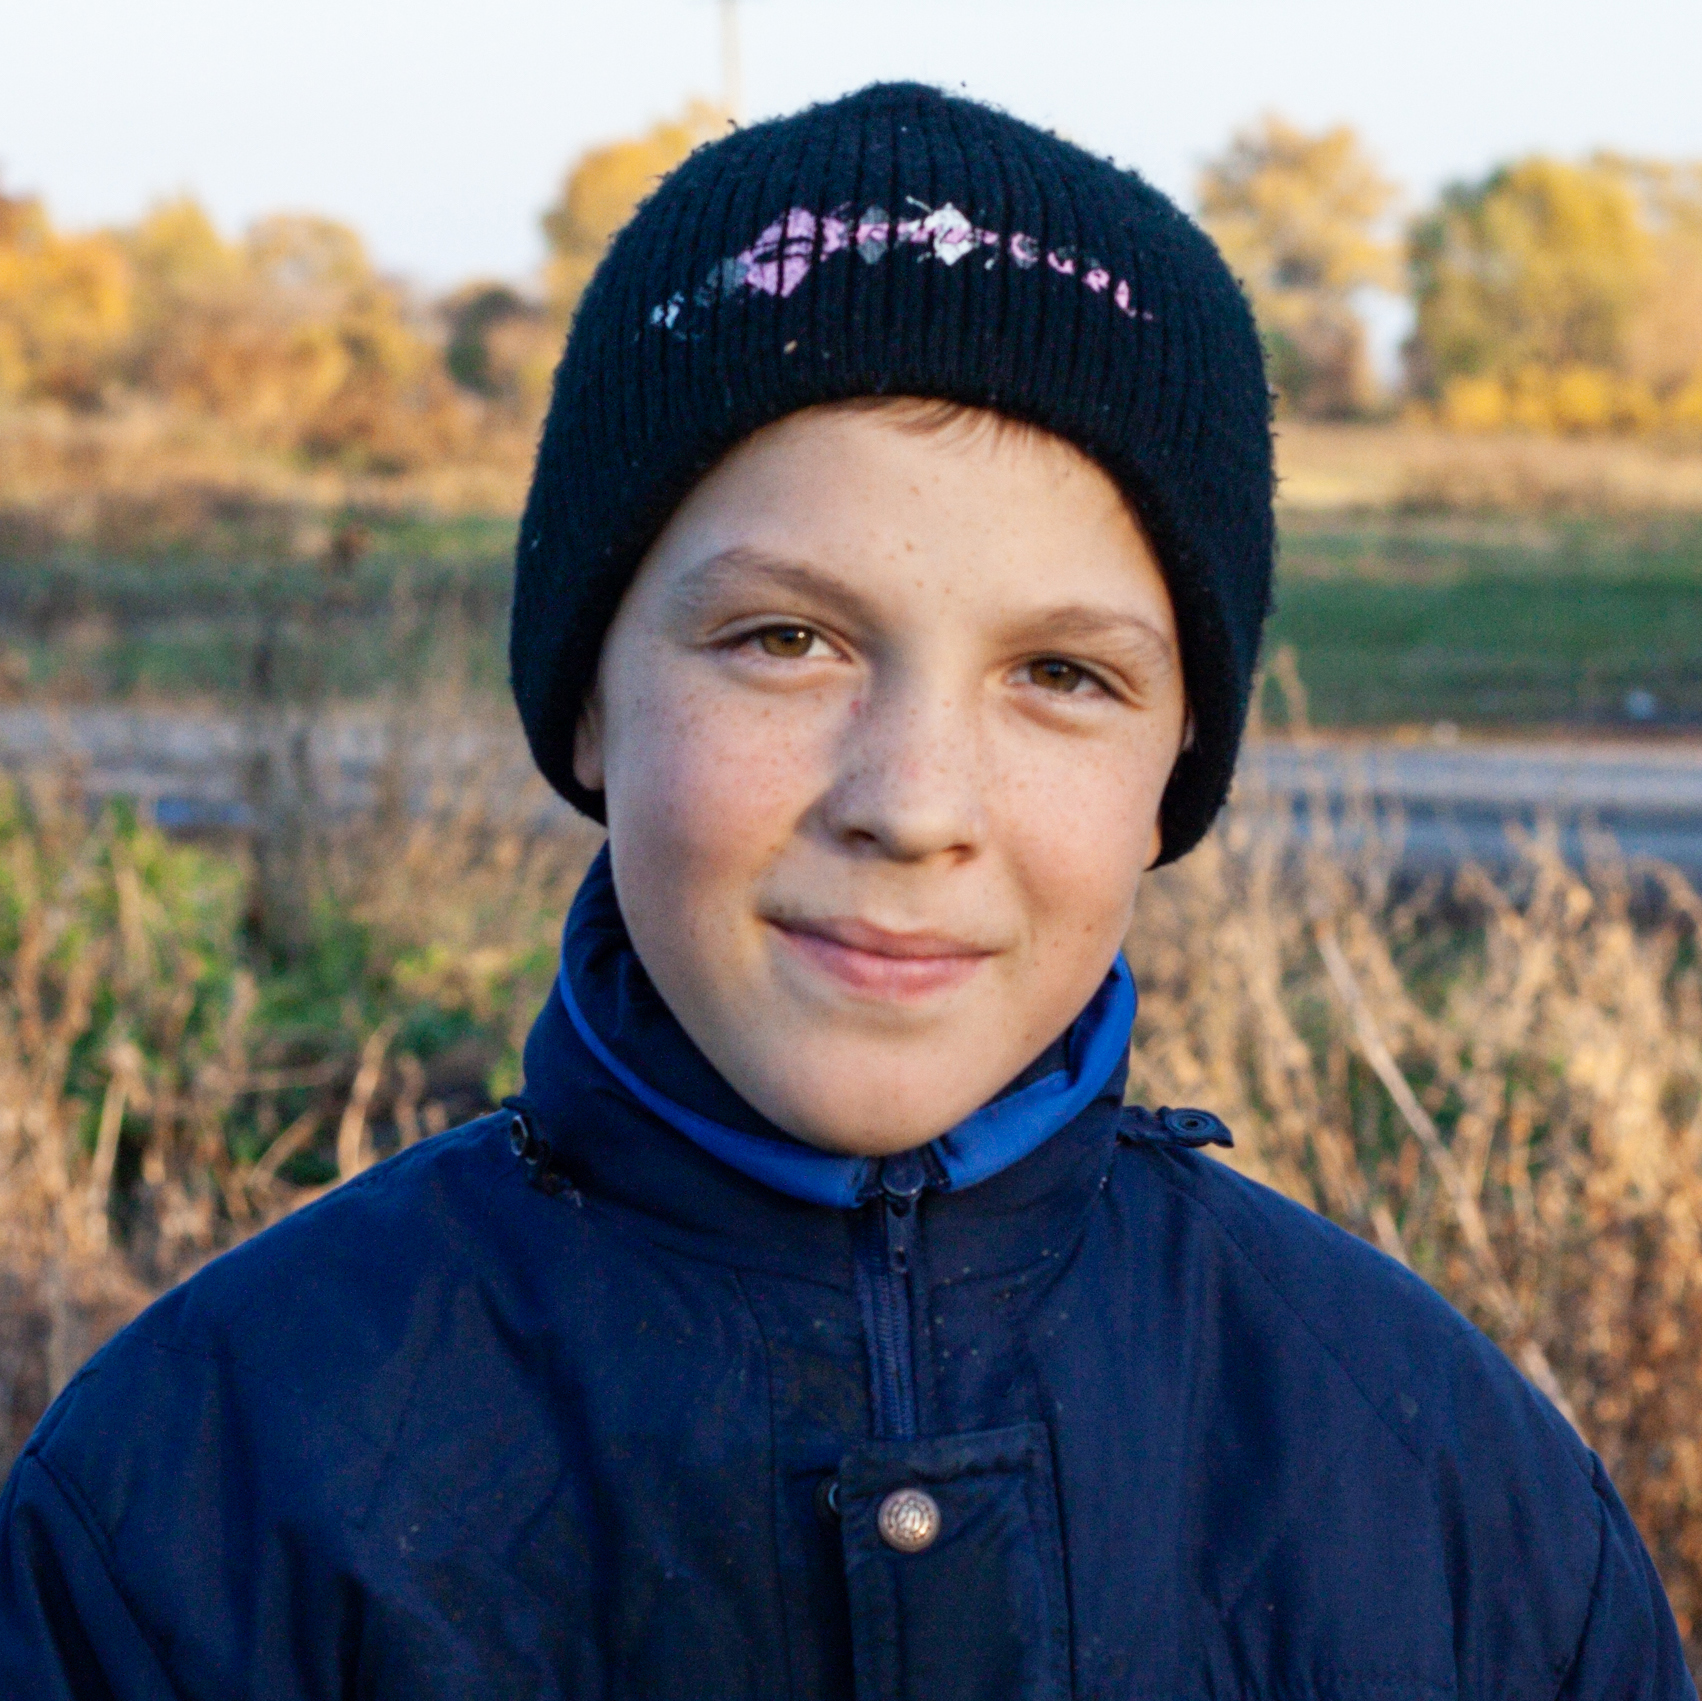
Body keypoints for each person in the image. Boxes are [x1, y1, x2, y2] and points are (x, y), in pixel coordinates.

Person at [0, 82, 1691, 1700]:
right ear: (586, 699)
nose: (911, 803)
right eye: (784, 639)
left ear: (1177, 760)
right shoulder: (203, 1490)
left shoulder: (1449, 1493)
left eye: (1061, 674)